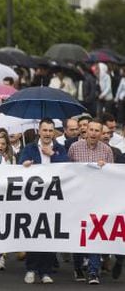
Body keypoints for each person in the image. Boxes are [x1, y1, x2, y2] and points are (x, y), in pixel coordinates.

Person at [19, 118, 69, 284]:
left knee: (49, 235)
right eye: (45, 130)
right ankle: (31, 269)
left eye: (50, 130)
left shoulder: (60, 149)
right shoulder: (29, 148)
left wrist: (52, 156)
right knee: (34, 234)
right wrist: (24, 165)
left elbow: (67, 169)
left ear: (54, 132)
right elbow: (19, 168)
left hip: (53, 199)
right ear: (39, 131)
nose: (47, 133)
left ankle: (46, 271)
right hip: (33, 200)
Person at [68, 119, 114, 285]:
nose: (94, 133)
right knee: (78, 233)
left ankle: (94, 270)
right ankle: (78, 266)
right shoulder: (74, 148)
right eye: (91, 130)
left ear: (101, 134)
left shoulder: (107, 151)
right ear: (85, 131)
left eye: (97, 131)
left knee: (95, 234)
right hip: (78, 198)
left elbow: (112, 176)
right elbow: (66, 171)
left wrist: (105, 168)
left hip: (97, 199)